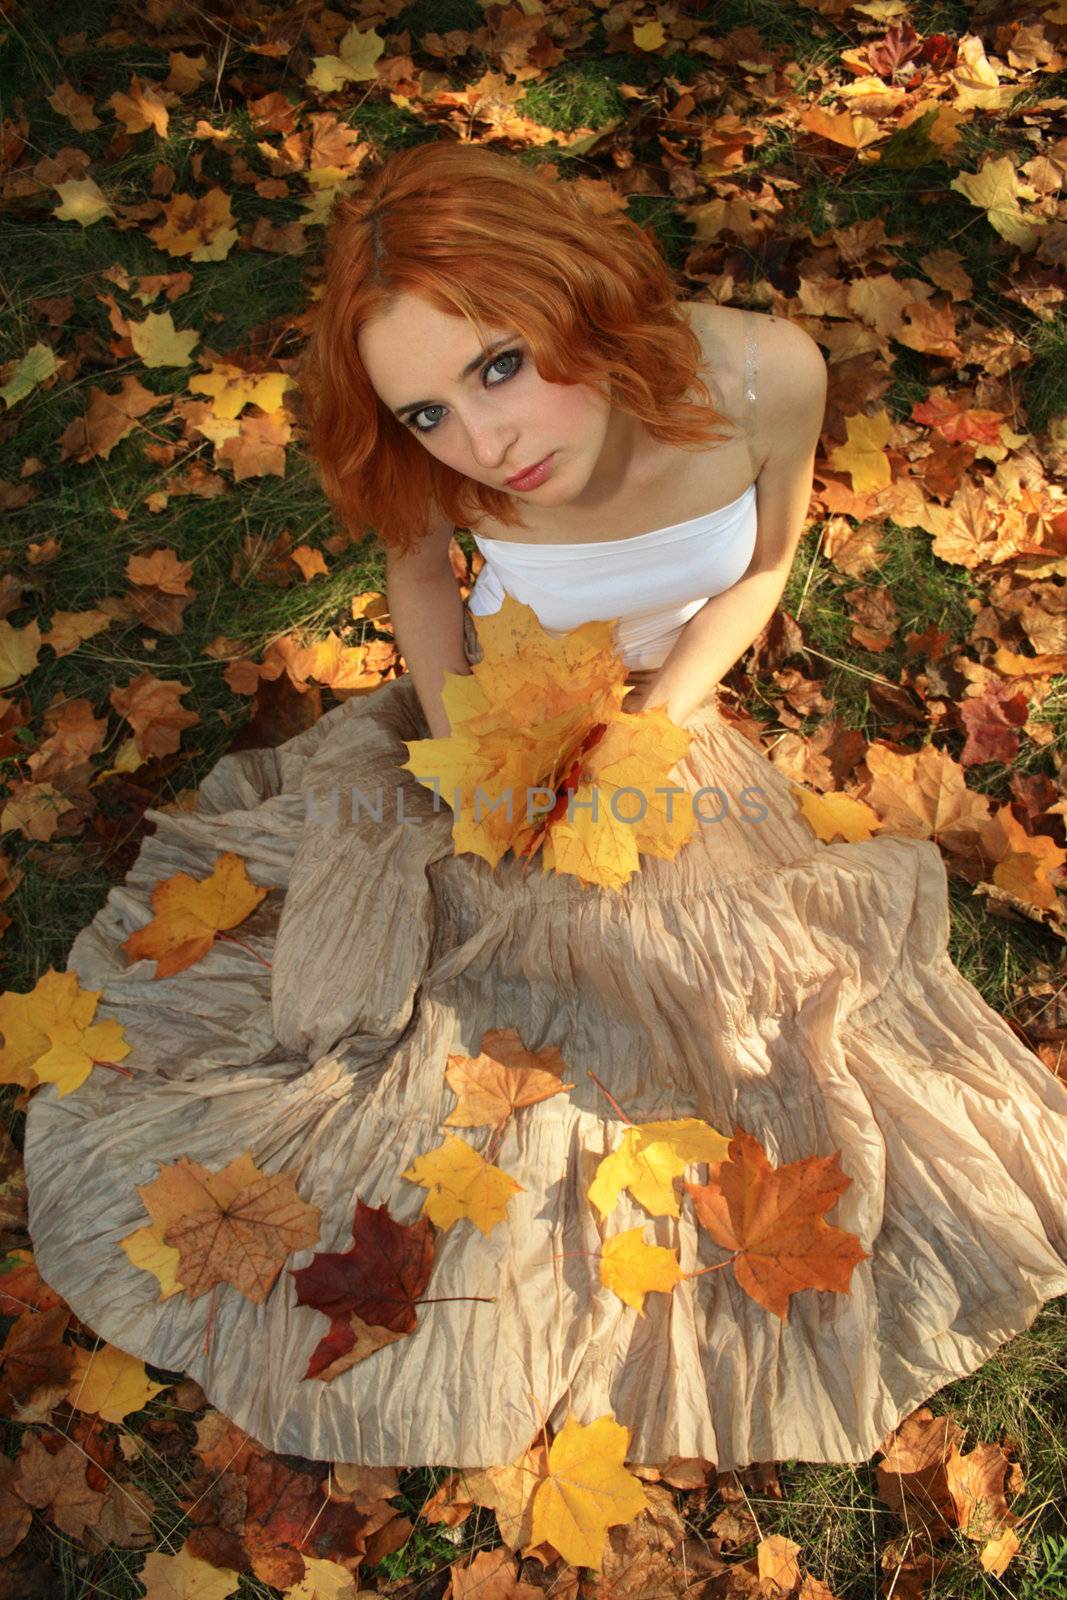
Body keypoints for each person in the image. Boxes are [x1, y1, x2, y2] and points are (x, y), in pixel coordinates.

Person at [23, 143, 1067, 1473]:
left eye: (500, 364)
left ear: (577, 293)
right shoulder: (455, 468)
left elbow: (764, 566)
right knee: (438, 1012)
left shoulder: (764, 374)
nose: (486, 439)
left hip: (666, 713)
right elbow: (418, 579)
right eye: (429, 414)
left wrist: (661, 723)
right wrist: (468, 751)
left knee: (704, 1023)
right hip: (506, 708)